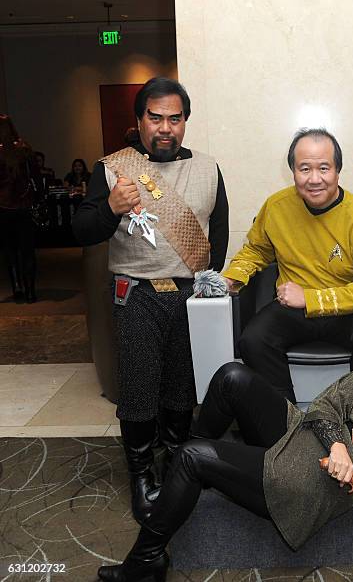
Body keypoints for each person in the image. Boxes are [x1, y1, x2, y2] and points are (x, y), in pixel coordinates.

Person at [97, 321, 353, 582]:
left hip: (315, 482)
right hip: (309, 433)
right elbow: (325, 406)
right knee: (232, 375)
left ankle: (143, 564)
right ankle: (183, 486)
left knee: (193, 457)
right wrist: (339, 443)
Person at [72, 77, 229, 525]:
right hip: (135, 294)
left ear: (185, 122)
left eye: (174, 119)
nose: (165, 128)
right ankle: (140, 474)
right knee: (140, 388)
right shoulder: (113, 170)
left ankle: (176, 462)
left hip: (188, 295)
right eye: (155, 118)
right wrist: (110, 209)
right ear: (139, 122)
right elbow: (82, 231)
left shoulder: (208, 167)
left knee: (182, 386)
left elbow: (218, 231)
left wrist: (205, 286)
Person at [223, 128, 353, 404]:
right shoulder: (277, 206)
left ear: (338, 171)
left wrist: (310, 298)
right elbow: (256, 250)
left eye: (324, 168)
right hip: (292, 311)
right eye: (304, 169)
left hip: (346, 309)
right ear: (293, 171)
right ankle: (284, 421)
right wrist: (231, 278)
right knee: (253, 340)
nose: (315, 179)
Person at [0, 114, 41, 303]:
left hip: (4, 207)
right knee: (27, 250)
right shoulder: (24, 149)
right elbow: (36, 177)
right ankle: (30, 290)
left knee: (10, 250)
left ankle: (17, 288)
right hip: (24, 205)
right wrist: (39, 198)